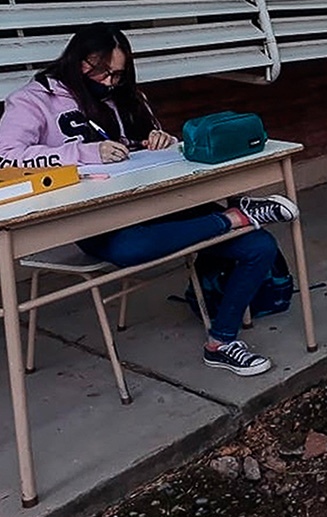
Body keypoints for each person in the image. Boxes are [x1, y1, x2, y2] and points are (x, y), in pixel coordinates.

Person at [0, 22, 298, 376]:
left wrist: (160, 139)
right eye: (102, 72)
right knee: (131, 249)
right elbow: (7, 158)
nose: (110, 82)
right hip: (93, 217)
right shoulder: (33, 101)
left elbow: (146, 143)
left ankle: (221, 342)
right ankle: (235, 217)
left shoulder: (126, 95)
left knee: (259, 246)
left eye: (118, 74)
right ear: (78, 61)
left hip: (155, 201)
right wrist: (85, 153)